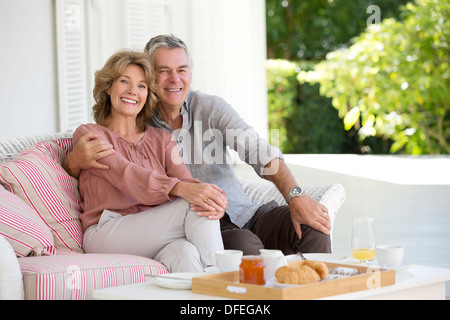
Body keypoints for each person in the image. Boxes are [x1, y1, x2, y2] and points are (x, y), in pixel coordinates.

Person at [64, 34, 331, 256]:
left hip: (245, 212)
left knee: (312, 227)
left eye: (181, 70)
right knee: (245, 248)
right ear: (151, 78)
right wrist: (71, 163)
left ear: (190, 74)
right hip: (204, 221)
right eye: (163, 71)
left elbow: (258, 151)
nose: (174, 79)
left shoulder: (210, 107)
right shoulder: (139, 125)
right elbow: (120, 171)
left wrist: (295, 195)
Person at [72, 50, 225, 273]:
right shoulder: (90, 135)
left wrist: (215, 199)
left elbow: (188, 182)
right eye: (124, 81)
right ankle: (224, 283)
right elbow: (125, 174)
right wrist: (182, 189)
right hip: (106, 231)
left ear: (148, 95)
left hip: (153, 231)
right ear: (108, 87)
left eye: (142, 86)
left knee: (186, 252)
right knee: (191, 204)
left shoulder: (161, 139)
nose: (133, 91)